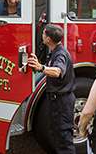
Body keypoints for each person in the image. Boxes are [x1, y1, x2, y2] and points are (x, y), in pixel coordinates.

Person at [28, 24, 76, 154]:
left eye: (43, 34)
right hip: (59, 102)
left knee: (64, 140)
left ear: (48, 39)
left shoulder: (60, 54)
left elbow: (57, 72)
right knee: (59, 138)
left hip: (62, 103)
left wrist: (41, 68)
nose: (42, 35)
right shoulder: (56, 52)